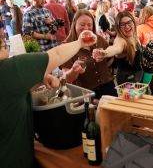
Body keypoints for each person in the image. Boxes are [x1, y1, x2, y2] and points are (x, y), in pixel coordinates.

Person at [0, 30, 96, 168]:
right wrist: (80, 41)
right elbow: (56, 54)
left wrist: (39, 79)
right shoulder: (9, 69)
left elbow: (12, 93)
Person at [61, 10, 117, 100]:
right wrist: (74, 70)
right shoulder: (67, 46)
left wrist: (101, 67)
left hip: (108, 87)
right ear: (74, 24)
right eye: (82, 25)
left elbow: (110, 59)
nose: (86, 28)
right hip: (86, 92)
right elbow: (67, 76)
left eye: (89, 25)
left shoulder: (99, 39)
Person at [92, 11, 143, 85]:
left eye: (129, 22)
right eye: (123, 24)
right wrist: (104, 53)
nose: (127, 27)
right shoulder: (120, 40)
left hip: (139, 77)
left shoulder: (134, 36)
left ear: (134, 23)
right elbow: (116, 48)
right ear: (118, 27)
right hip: (127, 82)